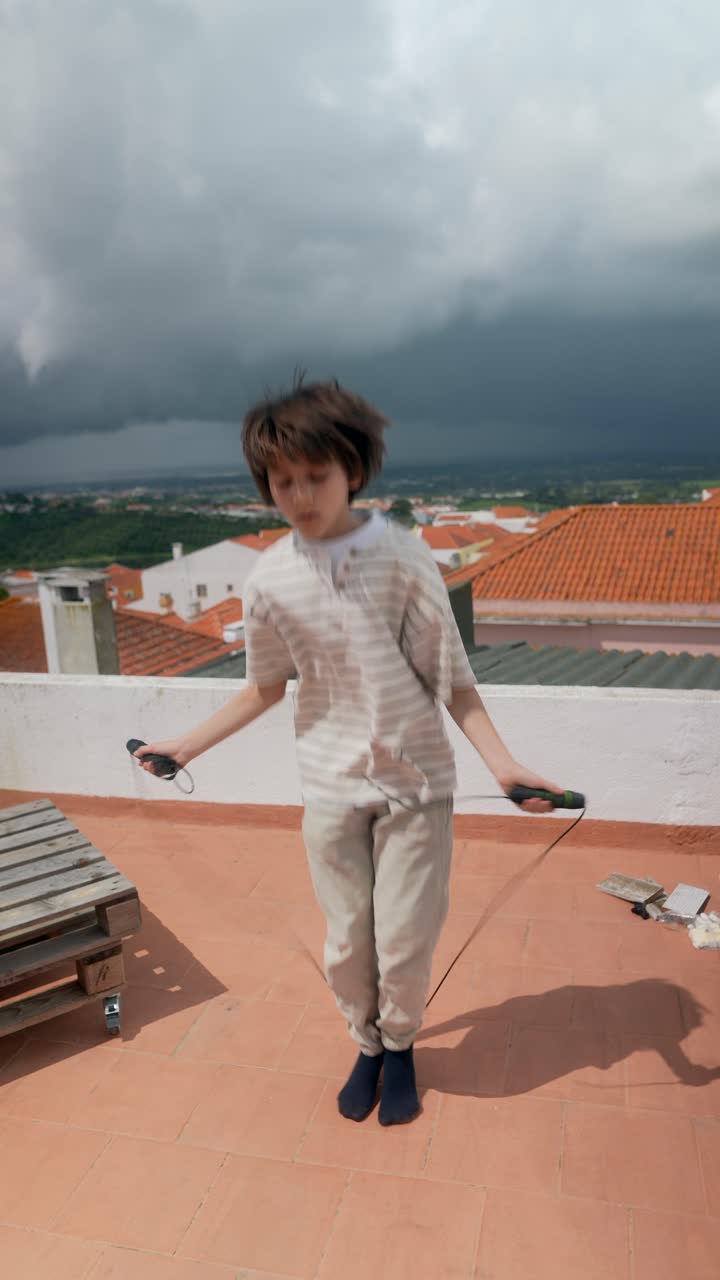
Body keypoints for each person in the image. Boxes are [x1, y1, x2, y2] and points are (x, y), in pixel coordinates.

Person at [135, 377, 560, 1126]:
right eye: (284, 481)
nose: (301, 495)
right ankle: (364, 1044)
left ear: (353, 471)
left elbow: (453, 681)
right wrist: (185, 744)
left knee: (403, 936)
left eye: (316, 476)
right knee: (346, 941)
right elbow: (265, 686)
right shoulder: (269, 580)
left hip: (417, 785)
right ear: (267, 485)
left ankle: (400, 1048)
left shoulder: (402, 559)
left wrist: (503, 765)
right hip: (328, 785)